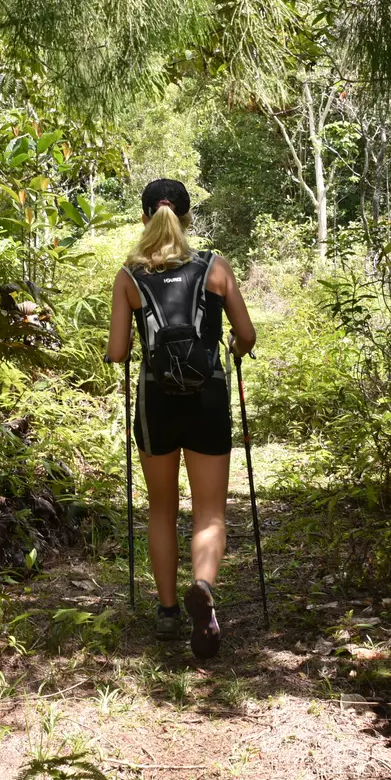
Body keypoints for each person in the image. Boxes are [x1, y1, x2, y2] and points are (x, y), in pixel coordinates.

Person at [106, 179, 256, 659]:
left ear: (145, 217)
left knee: (162, 509)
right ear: (187, 218)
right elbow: (246, 334)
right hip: (208, 394)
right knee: (210, 510)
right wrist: (233, 346)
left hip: (156, 402)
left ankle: (169, 611)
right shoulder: (215, 267)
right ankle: (204, 587)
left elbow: (117, 352)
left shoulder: (130, 277)